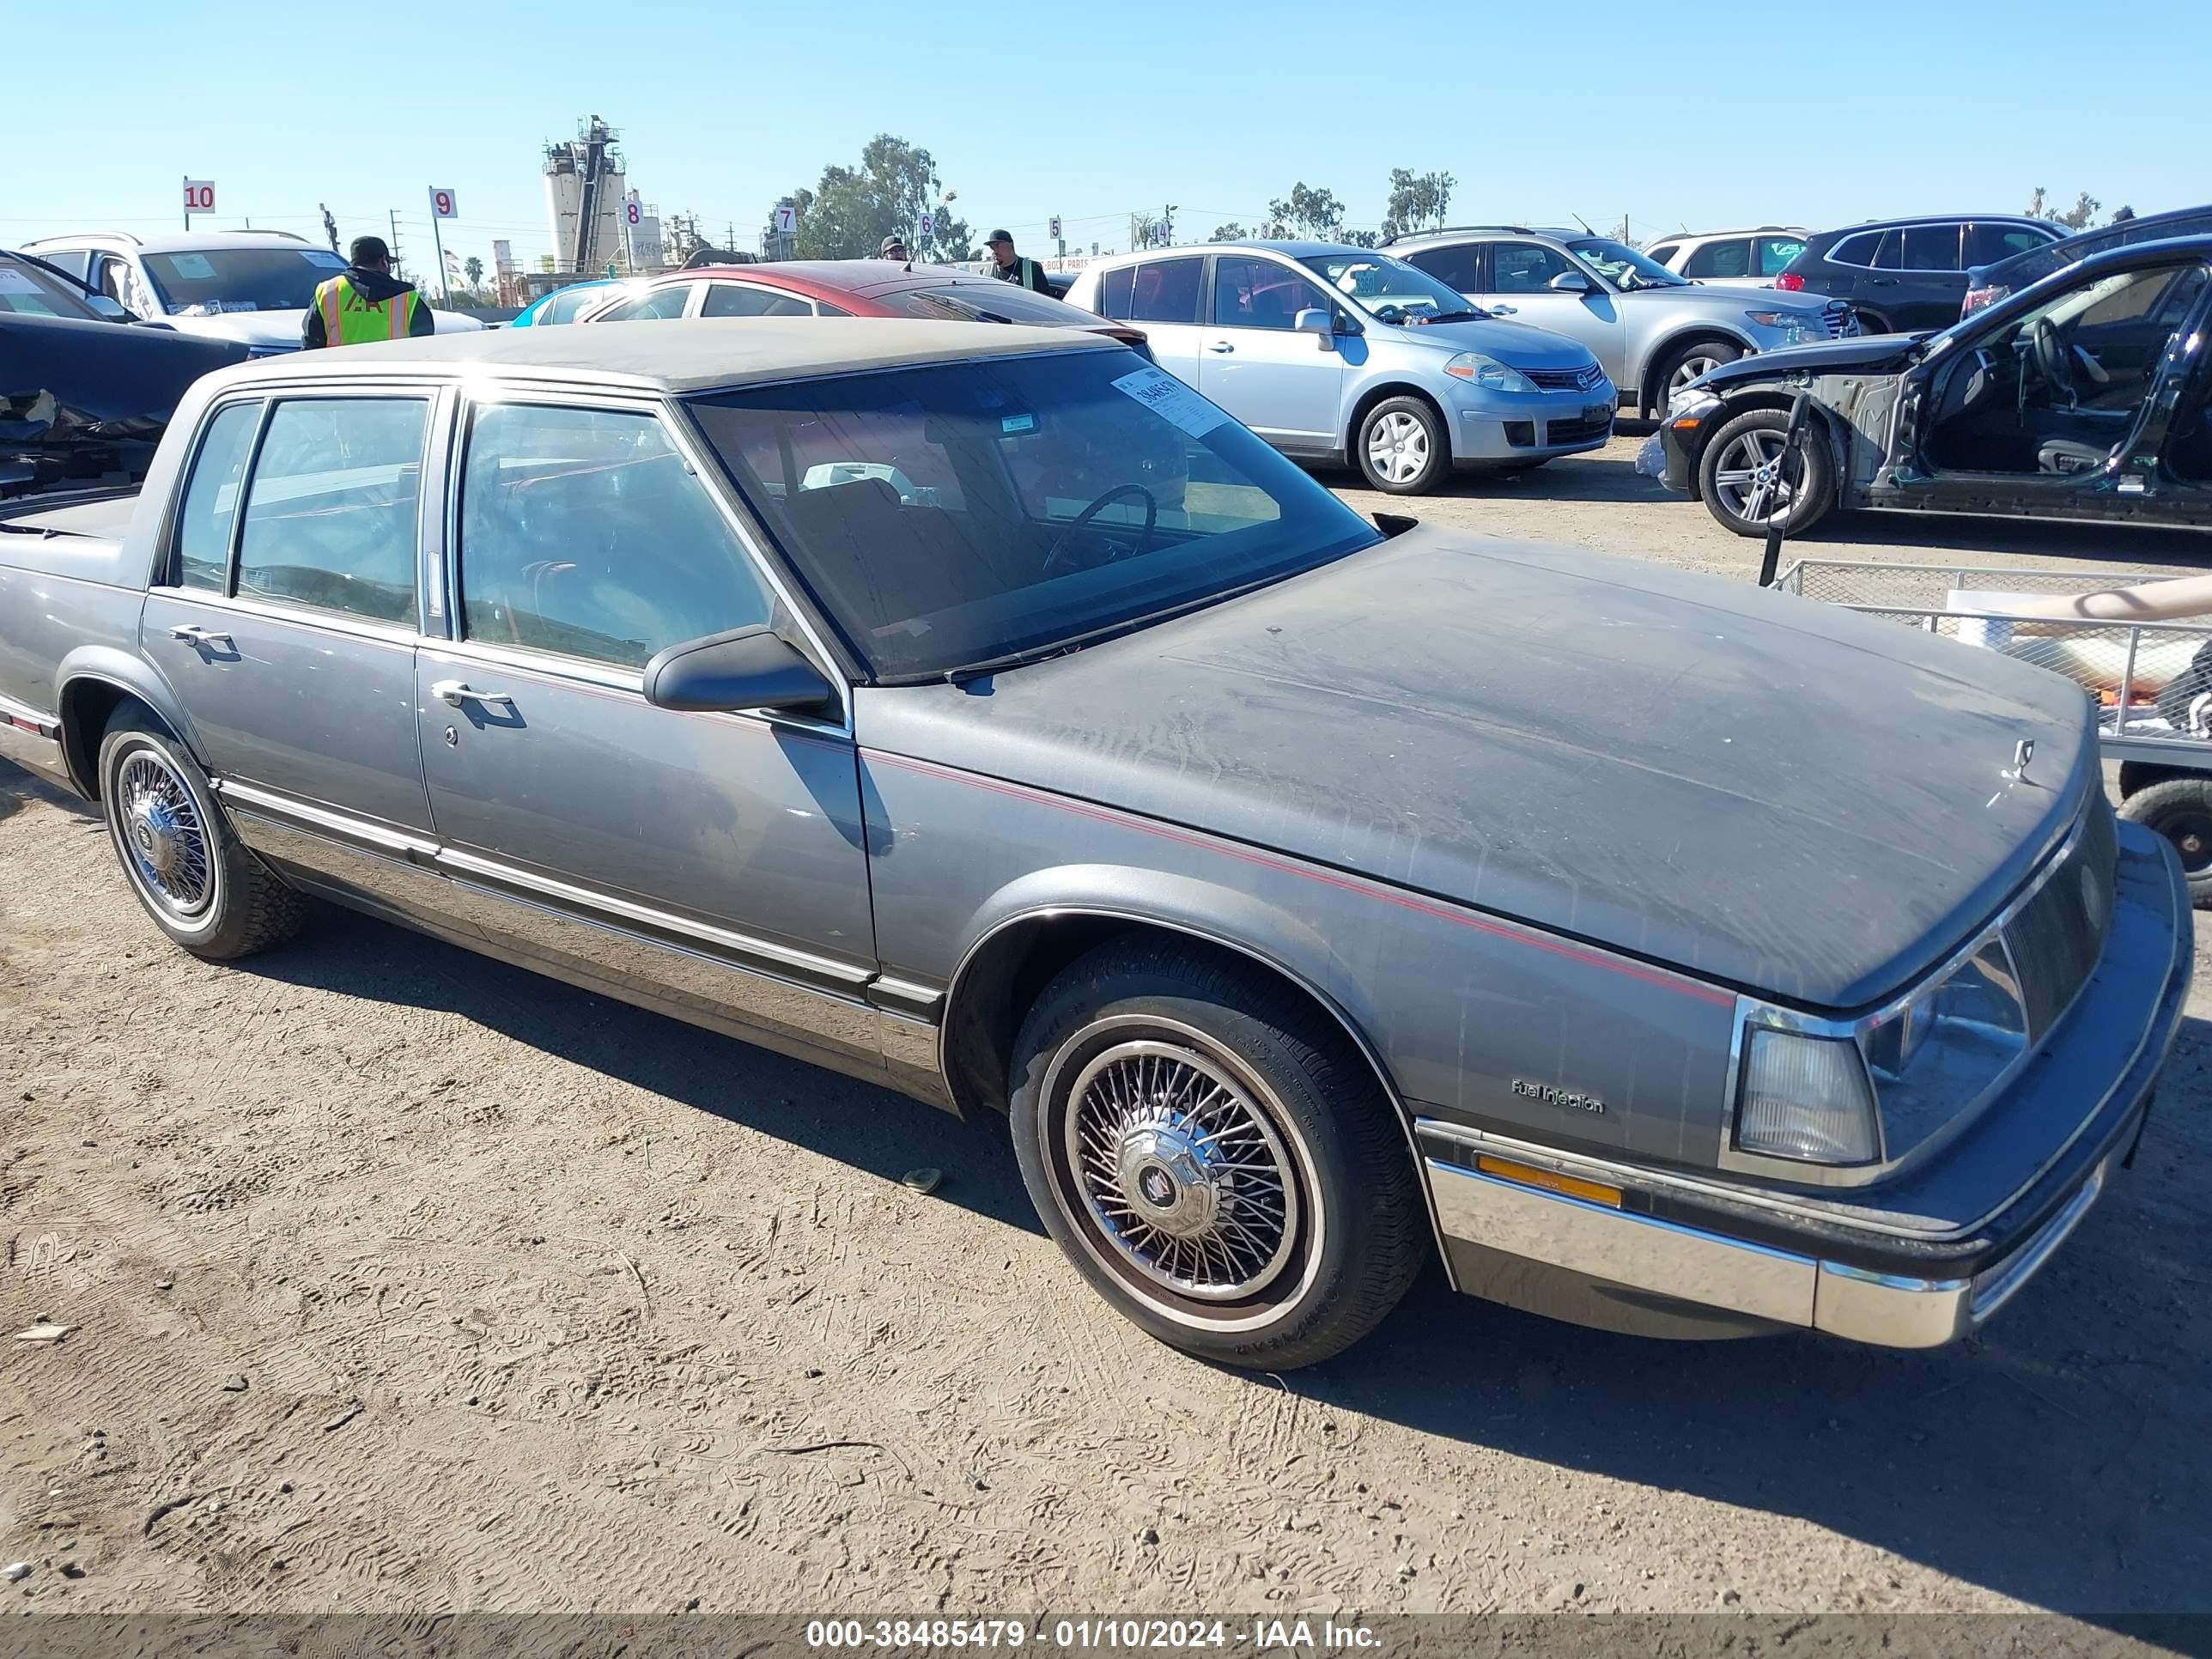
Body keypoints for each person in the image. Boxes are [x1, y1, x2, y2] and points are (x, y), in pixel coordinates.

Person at [301, 235, 434, 349]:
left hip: (341, 375)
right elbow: (426, 345)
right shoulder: (407, 297)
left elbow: (312, 343)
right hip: (395, 375)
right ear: (383, 260)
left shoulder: (327, 291)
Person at [985, 229, 1052, 295]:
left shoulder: (1032, 269)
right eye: (991, 247)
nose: (994, 251)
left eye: (997, 245)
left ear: (1011, 244)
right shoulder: (987, 274)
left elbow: (1046, 301)